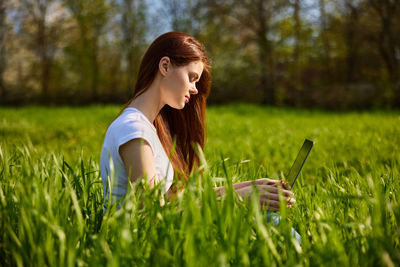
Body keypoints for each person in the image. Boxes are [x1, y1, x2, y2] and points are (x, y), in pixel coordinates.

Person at [100, 32, 295, 211]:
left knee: (266, 215)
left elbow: (176, 200)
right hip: (140, 246)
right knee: (267, 218)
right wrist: (239, 198)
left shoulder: (147, 128)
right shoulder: (133, 129)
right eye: (192, 78)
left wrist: (250, 188)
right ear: (165, 66)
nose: (194, 89)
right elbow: (152, 212)